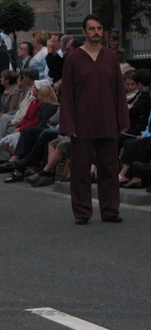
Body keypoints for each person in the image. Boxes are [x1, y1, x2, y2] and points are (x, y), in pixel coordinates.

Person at [60, 14, 130, 225]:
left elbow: (119, 90)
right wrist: (68, 124)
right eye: (92, 29)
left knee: (109, 168)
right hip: (82, 123)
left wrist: (122, 119)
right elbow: (67, 94)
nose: (96, 32)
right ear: (84, 32)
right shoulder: (73, 59)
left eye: (99, 28)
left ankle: (110, 210)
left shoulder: (110, 58)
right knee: (80, 170)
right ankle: (82, 211)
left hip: (108, 121)